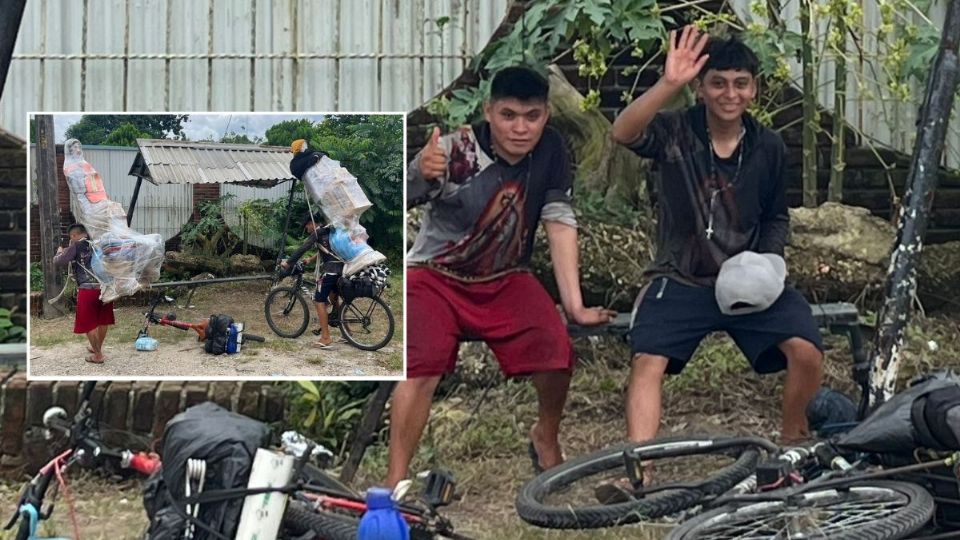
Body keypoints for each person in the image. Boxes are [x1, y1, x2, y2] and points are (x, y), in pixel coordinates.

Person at [389, 66, 616, 488]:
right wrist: (420, 167)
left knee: (556, 347)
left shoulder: (551, 149)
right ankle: (394, 484)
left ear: (546, 115)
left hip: (506, 276)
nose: (520, 127)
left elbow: (559, 219)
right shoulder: (459, 149)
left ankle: (545, 438)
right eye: (509, 115)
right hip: (436, 276)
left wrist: (575, 305)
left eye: (531, 116)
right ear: (489, 111)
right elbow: (393, 198)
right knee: (420, 368)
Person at [610, 27, 824, 451]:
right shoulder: (675, 132)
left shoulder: (769, 146)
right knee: (648, 359)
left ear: (754, 90)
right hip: (681, 276)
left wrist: (767, 264)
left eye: (741, 84)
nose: (730, 94)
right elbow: (623, 132)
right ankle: (640, 466)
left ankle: (792, 446)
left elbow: (776, 216)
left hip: (746, 277)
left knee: (806, 350)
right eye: (718, 83)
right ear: (700, 89)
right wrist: (667, 84)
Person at [53, 223, 114, 364]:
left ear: (74, 235)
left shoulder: (76, 246)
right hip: (105, 288)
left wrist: (59, 251)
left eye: (71, 237)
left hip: (88, 290)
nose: (71, 239)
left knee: (89, 324)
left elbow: (59, 261)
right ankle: (96, 348)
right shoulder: (98, 244)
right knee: (102, 320)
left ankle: (98, 355)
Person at [281, 212, 342, 349]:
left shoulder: (318, 232)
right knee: (334, 298)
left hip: (331, 271)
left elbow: (303, 248)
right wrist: (310, 260)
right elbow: (326, 250)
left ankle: (325, 337)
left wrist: (288, 263)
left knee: (318, 300)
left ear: (312, 223)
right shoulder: (328, 230)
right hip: (341, 268)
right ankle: (346, 333)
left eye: (307, 226)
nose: (307, 229)